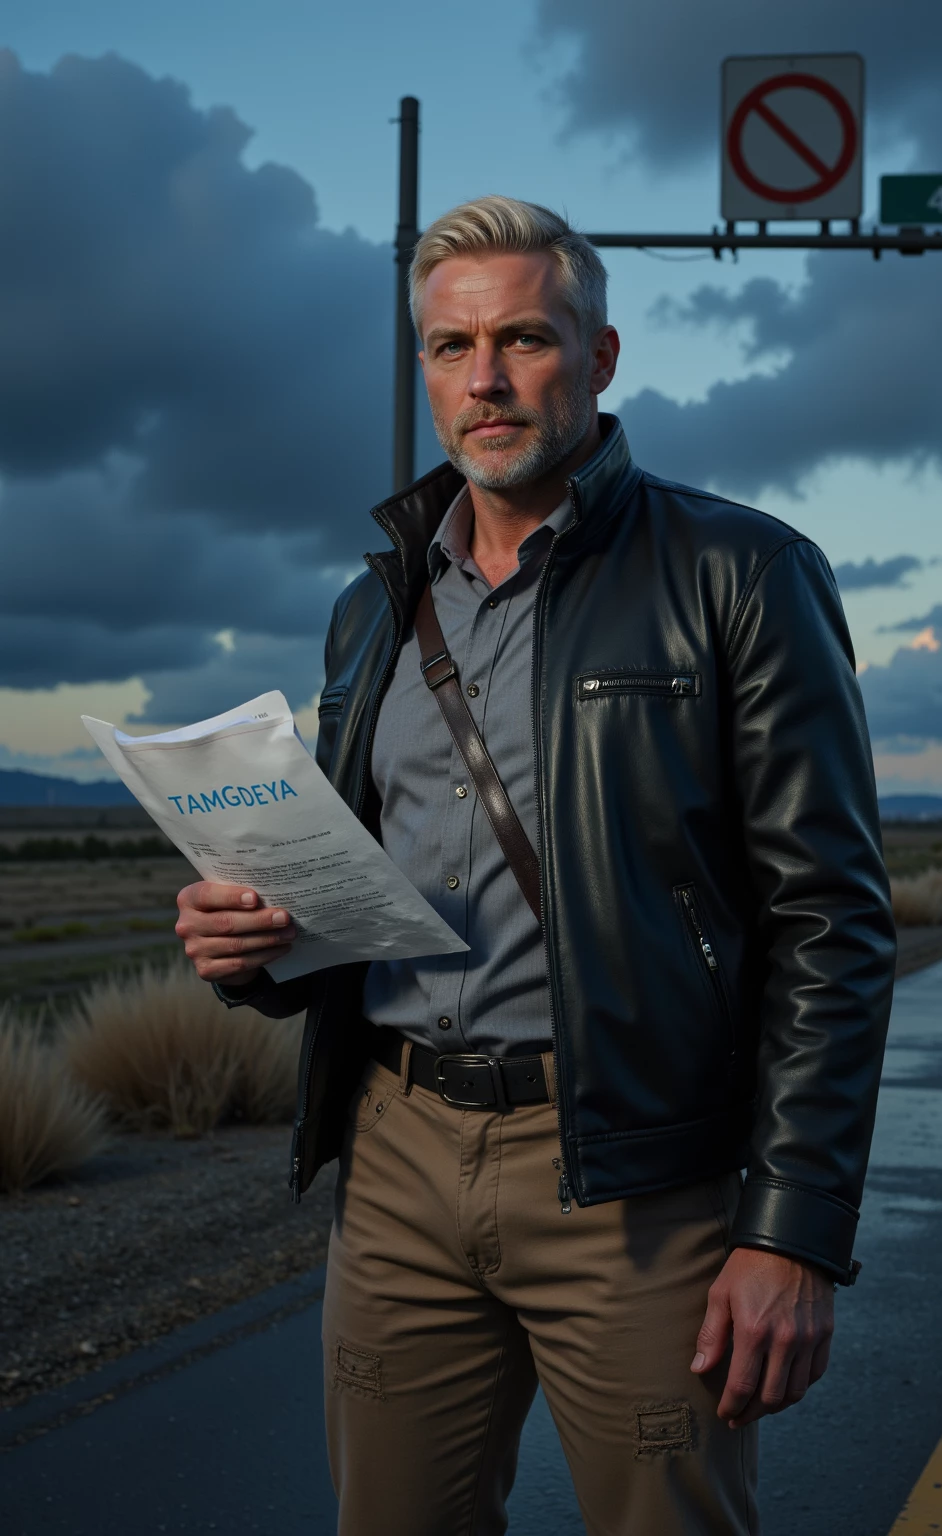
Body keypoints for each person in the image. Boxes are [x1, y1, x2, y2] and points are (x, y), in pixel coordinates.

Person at [174, 196, 896, 1536]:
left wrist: (790, 1229)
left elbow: (832, 921)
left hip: (636, 1172)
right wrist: (256, 952)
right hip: (392, 1161)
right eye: (450, 348)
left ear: (602, 357)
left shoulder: (739, 571)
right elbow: (356, 891)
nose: (485, 379)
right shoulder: (370, 602)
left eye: (523, 338)